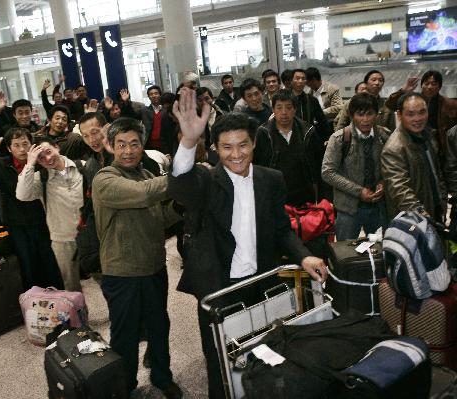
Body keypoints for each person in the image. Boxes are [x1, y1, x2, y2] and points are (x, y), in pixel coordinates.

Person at [168, 88, 327, 399]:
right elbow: (180, 186)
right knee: (220, 360)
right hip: (219, 285)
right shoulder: (205, 181)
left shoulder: (271, 179)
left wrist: (304, 257)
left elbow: (282, 229)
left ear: (255, 142)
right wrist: (188, 142)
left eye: (243, 145)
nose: (236, 154)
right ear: (215, 148)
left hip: (261, 280)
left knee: (262, 351)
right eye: (226, 147)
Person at [92, 117, 183, 399]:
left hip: (154, 266)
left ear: (142, 146)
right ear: (112, 147)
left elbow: (160, 218)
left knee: (159, 326)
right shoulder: (105, 179)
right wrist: (181, 178)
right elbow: (143, 195)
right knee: (125, 334)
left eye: (134, 144)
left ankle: (161, 375)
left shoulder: (146, 175)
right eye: (122, 145)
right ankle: (125, 385)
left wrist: (179, 206)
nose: (128, 151)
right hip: (122, 273)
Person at [0, 127, 64, 289]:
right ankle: (34, 299)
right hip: (16, 223)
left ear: (31, 145)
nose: (22, 149)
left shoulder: (41, 162)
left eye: (25, 144)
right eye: (16, 145)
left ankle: (58, 297)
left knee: (49, 260)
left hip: (42, 219)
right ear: (9, 148)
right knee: (27, 263)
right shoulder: (2, 164)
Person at [16, 138, 84, 292]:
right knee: (71, 286)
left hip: (90, 233)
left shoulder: (82, 167)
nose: (47, 158)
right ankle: (79, 315)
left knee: (104, 278)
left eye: (49, 152)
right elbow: (22, 195)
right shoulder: (42, 178)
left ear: (57, 147)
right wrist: (30, 164)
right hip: (62, 238)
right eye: (41, 157)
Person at [321, 93, 388, 240]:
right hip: (348, 209)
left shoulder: (384, 136)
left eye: (370, 114)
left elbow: (390, 167)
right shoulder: (339, 138)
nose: (365, 119)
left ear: (376, 115)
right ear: (352, 115)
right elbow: (327, 172)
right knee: (345, 255)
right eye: (360, 114)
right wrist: (359, 191)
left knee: (381, 250)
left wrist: (383, 183)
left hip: (377, 207)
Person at [381, 92, 446, 222]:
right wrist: (423, 216)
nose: (417, 118)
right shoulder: (394, 148)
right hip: (411, 221)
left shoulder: (428, 136)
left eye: (422, 112)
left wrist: (443, 201)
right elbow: (400, 189)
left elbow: (437, 173)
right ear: (399, 115)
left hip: (435, 209)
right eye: (410, 114)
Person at [253, 90, 321, 206]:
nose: (284, 112)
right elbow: (257, 166)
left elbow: (318, 165)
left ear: (295, 109)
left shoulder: (308, 131)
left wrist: (321, 197)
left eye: (288, 108)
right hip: (274, 194)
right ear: (273, 110)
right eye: (279, 108)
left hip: (303, 194)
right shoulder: (263, 133)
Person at [384, 71, 457, 162]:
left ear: (439, 87)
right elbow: (390, 105)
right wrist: (403, 91)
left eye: (434, 84)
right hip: (415, 146)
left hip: (442, 151)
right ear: (421, 85)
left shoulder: (450, 104)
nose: (430, 87)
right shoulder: (413, 101)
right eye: (427, 83)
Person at [142, 85, 174, 155]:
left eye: (156, 93)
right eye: (151, 94)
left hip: (166, 144)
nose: (154, 96)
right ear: (148, 97)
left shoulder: (167, 110)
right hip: (150, 145)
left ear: (160, 95)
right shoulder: (145, 111)